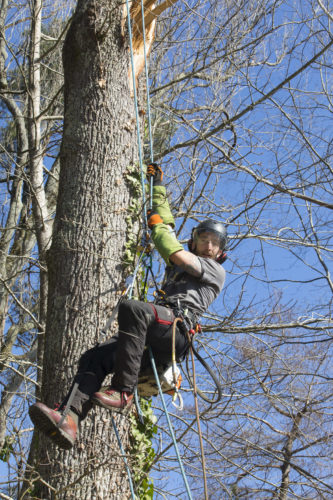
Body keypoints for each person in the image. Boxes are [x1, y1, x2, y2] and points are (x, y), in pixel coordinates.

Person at [29, 164, 227, 449]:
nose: (208, 246)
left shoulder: (212, 270)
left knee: (134, 309)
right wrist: (157, 186)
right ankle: (69, 418)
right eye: (203, 239)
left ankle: (122, 391)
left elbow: (171, 247)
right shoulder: (184, 261)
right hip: (151, 335)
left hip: (176, 331)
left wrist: (158, 227)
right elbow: (166, 226)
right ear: (194, 241)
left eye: (214, 243)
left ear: (220, 252)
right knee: (94, 357)